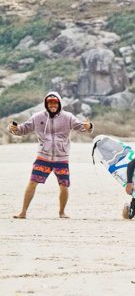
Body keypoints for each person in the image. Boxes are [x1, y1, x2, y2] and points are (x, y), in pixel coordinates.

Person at [8, 91, 93, 219]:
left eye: (55, 102)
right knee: (32, 182)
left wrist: (89, 126)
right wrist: (14, 129)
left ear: (59, 103)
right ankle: (23, 212)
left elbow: (82, 127)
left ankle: (61, 212)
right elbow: (23, 129)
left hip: (61, 157)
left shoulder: (68, 117)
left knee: (64, 185)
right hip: (43, 156)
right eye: (50, 102)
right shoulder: (37, 117)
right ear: (46, 104)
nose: (52, 104)